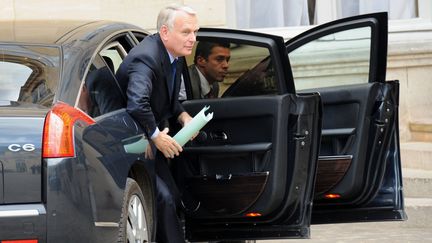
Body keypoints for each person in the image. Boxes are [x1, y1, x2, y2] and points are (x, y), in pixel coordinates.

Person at [116, 4, 199, 242]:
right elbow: (137, 103)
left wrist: (183, 116)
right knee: (163, 198)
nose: (192, 38)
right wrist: (156, 136)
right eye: (186, 32)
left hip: (149, 139)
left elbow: (167, 101)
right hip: (129, 142)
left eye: (195, 31)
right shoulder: (146, 58)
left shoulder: (176, 54)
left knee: (173, 194)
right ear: (165, 32)